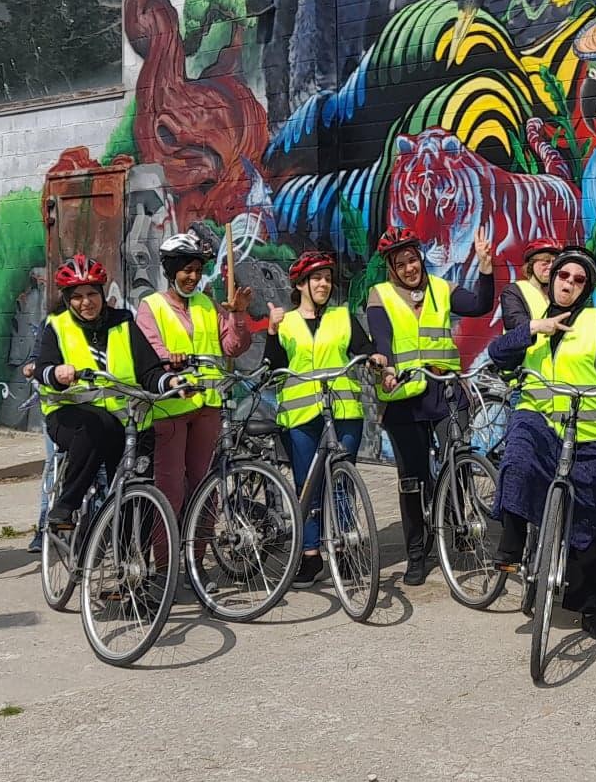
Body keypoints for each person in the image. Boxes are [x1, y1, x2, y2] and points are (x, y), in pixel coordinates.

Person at [486, 246, 596, 641]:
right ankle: (511, 547)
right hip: (542, 423)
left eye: (578, 280)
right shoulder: (535, 322)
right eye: (564, 277)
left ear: (586, 288)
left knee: (587, 524)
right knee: (518, 459)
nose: (569, 284)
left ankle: (591, 606)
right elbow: (497, 353)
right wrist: (530, 331)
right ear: (553, 278)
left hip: (592, 437)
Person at [366, 226, 495, 587]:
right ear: (392, 268)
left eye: (413, 259)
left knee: (458, 458)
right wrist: (387, 366)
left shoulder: (442, 288)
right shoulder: (380, 296)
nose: (410, 268)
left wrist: (486, 268)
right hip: (403, 397)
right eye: (401, 263)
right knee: (412, 478)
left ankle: (458, 524)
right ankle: (416, 554)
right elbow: (383, 338)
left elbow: (480, 305)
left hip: (445, 389)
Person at [134, 230, 258, 526]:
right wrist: (168, 360)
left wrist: (238, 316)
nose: (193, 277)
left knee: (204, 490)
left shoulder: (208, 304)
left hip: (208, 405)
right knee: (170, 491)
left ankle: (196, 563)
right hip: (171, 408)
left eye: (198, 271)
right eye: (187, 270)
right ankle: (165, 566)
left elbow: (233, 346)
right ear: (171, 271)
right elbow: (149, 350)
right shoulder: (151, 306)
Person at [265, 250, 374, 584]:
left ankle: (344, 547)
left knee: (341, 481)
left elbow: (363, 350)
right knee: (307, 487)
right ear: (300, 284)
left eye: (327, 278)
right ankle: (310, 554)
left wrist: (374, 359)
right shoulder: (285, 322)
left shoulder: (343, 317)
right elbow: (272, 367)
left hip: (343, 410)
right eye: (316, 278)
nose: (324, 284)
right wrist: (271, 331)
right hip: (301, 414)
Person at [31, 254, 154, 531]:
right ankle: (67, 504)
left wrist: (168, 382)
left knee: (138, 492)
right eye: (77, 296)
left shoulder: (124, 323)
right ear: (67, 300)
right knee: (96, 426)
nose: (86, 302)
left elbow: (150, 369)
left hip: (126, 419)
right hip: (70, 417)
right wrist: (57, 373)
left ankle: (135, 566)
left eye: (91, 294)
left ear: (102, 293)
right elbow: (43, 369)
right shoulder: (57, 327)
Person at [498, 237, 562, 332]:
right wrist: (540, 326)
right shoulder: (514, 291)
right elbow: (513, 322)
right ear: (531, 265)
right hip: (528, 347)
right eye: (546, 261)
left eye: (556, 262)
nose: (551, 266)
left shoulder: (558, 293)